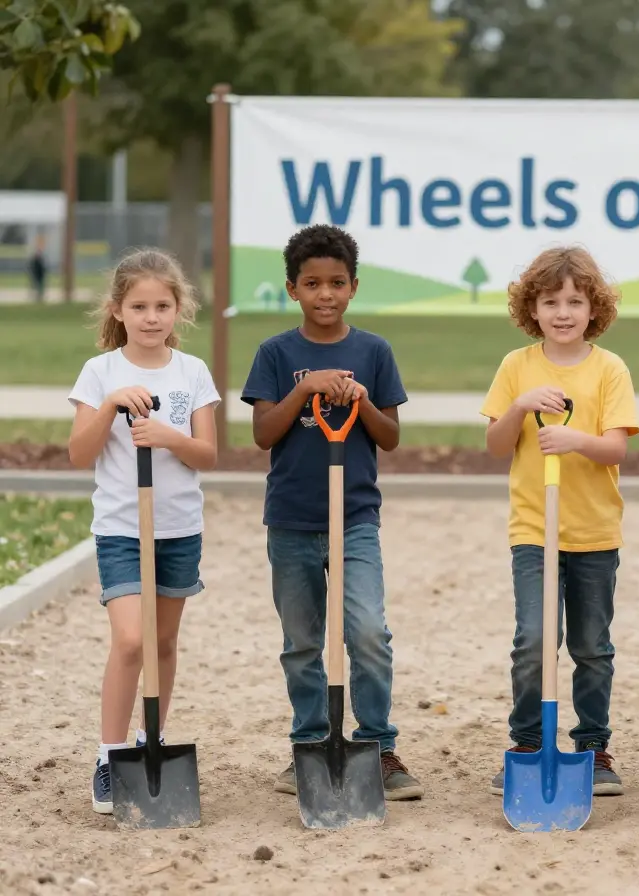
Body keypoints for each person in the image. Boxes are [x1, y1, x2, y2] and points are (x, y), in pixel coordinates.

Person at [240, 224, 423, 800]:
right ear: (292, 288)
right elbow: (264, 433)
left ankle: (377, 746)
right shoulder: (275, 353)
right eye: (313, 283)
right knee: (302, 641)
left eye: (337, 283)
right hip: (292, 519)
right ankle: (309, 746)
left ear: (354, 286)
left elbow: (390, 438)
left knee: (368, 632)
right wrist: (306, 389)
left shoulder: (373, 352)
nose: (326, 294)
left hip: (355, 521)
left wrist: (362, 399)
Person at [481, 246, 639, 796]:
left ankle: (593, 745)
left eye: (575, 300)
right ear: (534, 308)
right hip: (533, 530)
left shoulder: (609, 368)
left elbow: (617, 449)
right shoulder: (516, 367)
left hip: (594, 532)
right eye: (551, 301)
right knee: (533, 639)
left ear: (594, 307)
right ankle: (527, 743)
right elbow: (497, 444)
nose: (564, 311)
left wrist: (577, 440)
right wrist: (520, 407)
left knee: (592, 646)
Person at [66, 248, 220, 814]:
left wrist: (166, 436)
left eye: (162, 305)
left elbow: (206, 454)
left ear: (179, 309)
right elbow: (80, 451)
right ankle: (110, 755)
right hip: (122, 528)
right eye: (139, 306)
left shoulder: (192, 371)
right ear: (118, 309)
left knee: (161, 643)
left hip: (179, 527)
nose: (151, 317)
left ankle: (150, 740)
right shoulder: (99, 372)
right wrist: (109, 406)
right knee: (130, 640)